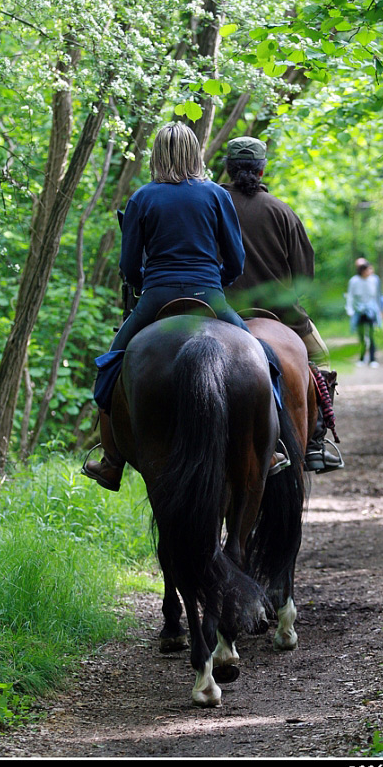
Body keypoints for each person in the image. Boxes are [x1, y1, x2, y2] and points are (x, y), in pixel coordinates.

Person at [83, 122, 288, 492]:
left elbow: (129, 266)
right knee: (264, 359)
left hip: (156, 297)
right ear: (196, 153)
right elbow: (236, 259)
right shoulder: (215, 195)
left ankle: (111, 462)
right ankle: (272, 449)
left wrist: (145, 284)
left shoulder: (142, 198)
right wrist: (216, 282)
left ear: (157, 156)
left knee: (111, 366)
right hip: (210, 296)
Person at [221, 136, 344, 473]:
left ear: (228, 168)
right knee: (319, 358)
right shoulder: (282, 211)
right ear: (262, 169)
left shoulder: (213, 205)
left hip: (220, 311)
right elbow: (304, 276)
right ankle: (316, 441)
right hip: (281, 313)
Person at [345, 258, 383, 367]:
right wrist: (350, 310)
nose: (370, 271)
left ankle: (373, 359)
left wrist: (382, 311)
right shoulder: (354, 281)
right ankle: (362, 358)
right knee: (361, 336)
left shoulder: (374, 280)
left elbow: (378, 296)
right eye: (368, 270)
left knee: (372, 335)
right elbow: (350, 296)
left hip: (372, 311)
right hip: (359, 311)